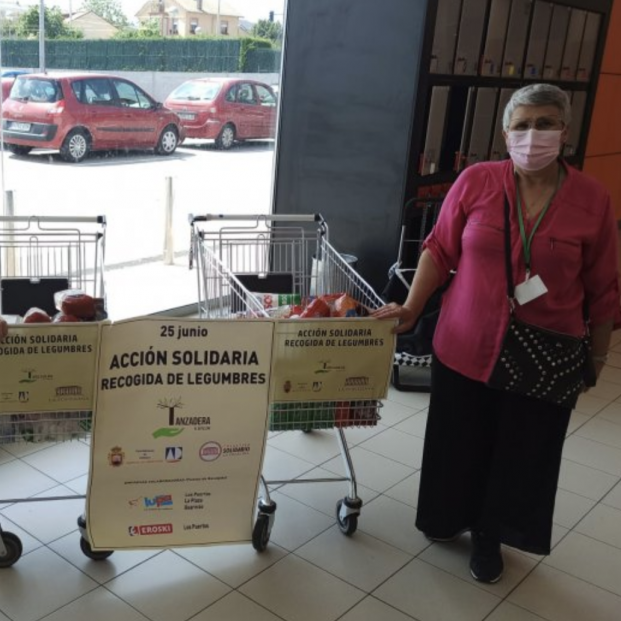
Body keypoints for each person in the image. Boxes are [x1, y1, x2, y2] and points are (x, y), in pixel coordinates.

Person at [372, 83, 621, 584]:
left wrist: (595, 358)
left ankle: (491, 535)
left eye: (545, 123)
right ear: (506, 134)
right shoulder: (478, 181)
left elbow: (603, 286)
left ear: (564, 132)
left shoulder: (591, 199)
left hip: (544, 353)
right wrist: (413, 307)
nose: (533, 135)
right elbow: (439, 249)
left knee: (519, 451)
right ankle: (445, 515)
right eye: (522, 125)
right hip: (466, 342)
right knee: (457, 439)